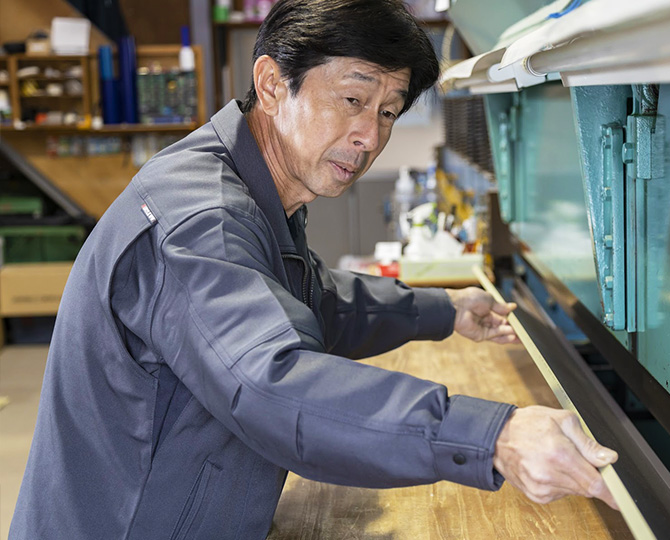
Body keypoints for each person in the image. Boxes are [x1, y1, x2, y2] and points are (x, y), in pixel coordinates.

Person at [10, 1, 617, 538]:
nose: (368, 136)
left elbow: (313, 300)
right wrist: (495, 437)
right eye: (353, 100)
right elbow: (272, 381)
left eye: (388, 112)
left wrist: (445, 310)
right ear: (273, 84)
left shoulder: (254, 189)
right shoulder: (201, 215)